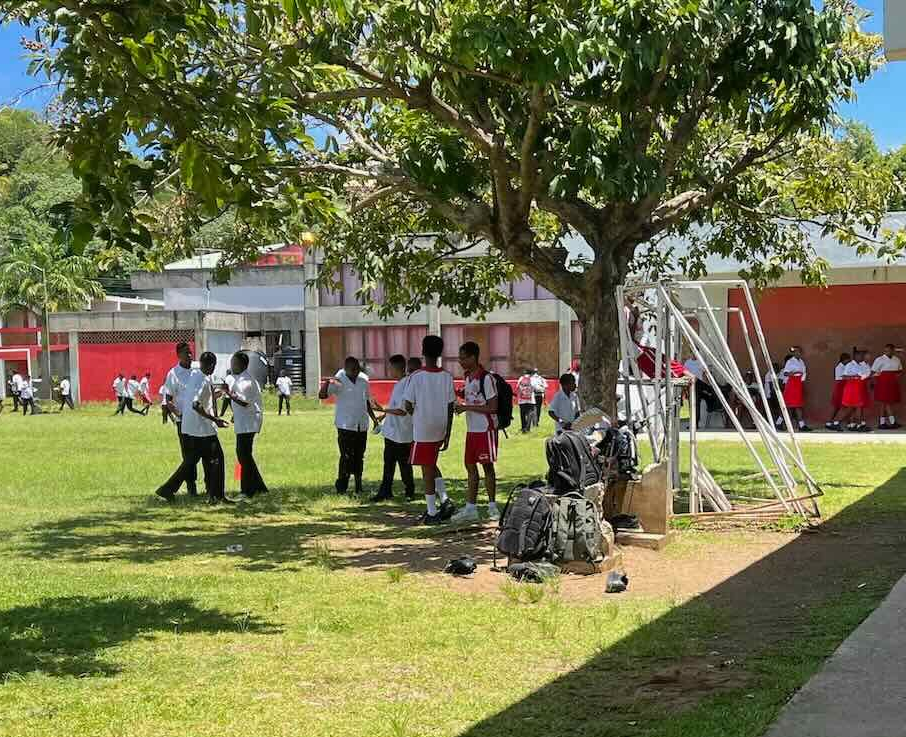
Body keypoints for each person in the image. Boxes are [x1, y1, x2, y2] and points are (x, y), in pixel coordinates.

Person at [156, 352, 232, 504]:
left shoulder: (195, 375)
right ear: (211, 365)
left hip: (190, 426)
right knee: (217, 458)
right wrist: (215, 419)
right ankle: (217, 495)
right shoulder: (202, 379)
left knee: (191, 460)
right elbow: (196, 404)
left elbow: (202, 396)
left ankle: (167, 489)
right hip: (202, 428)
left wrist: (220, 392)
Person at [404, 335, 457, 525]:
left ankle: (432, 512)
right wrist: (448, 432)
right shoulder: (447, 376)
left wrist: (416, 413)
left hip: (424, 427)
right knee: (431, 464)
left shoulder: (416, 376)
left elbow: (408, 404)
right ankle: (444, 500)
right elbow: (451, 406)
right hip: (440, 427)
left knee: (426, 470)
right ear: (440, 353)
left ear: (422, 351)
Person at [450, 341, 500, 524]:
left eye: (463, 358)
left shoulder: (486, 378)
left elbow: (493, 407)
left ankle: (492, 507)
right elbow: (472, 396)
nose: (460, 361)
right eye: (459, 358)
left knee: (487, 467)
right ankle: (471, 508)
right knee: (470, 466)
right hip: (472, 430)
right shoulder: (468, 377)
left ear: (473, 357)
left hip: (485, 429)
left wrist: (466, 407)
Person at [319, 356, 380, 495]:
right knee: (346, 456)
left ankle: (358, 486)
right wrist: (327, 383)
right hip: (345, 425)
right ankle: (342, 487)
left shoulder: (363, 379)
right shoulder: (338, 379)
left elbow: (366, 401)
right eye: (352, 370)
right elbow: (322, 396)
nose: (355, 372)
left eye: (357, 369)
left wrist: (374, 419)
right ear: (345, 368)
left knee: (359, 456)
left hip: (361, 424)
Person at [222, 351, 268, 498]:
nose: (232, 366)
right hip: (243, 421)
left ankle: (247, 490)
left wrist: (228, 393)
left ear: (243, 365)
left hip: (249, 422)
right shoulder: (238, 379)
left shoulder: (247, 382)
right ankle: (259, 487)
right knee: (244, 455)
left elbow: (244, 402)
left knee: (243, 455)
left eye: (234, 363)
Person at [371, 354, 415, 502]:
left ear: (397, 368)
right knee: (389, 464)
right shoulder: (399, 384)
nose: (389, 371)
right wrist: (383, 416)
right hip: (391, 432)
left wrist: (382, 410)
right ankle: (386, 491)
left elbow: (402, 411)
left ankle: (409, 490)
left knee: (404, 465)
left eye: (390, 368)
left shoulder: (406, 384)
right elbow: (394, 406)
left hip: (401, 434)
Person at [163, 342, 199, 496]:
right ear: (178, 355)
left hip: (200, 419)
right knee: (189, 455)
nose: (189, 355)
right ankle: (191, 487)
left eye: (190, 352)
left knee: (202, 453)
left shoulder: (197, 370)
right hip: (183, 422)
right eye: (186, 353)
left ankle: (211, 486)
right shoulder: (173, 374)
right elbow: (168, 400)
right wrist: (180, 416)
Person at [872, 344, 903, 430]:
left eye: (889, 350)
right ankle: (888, 422)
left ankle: (886, 423)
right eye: (885, 350)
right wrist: (874, 382)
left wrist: (897, 376)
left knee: (887, 402)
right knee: (884, 402)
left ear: (893, 350)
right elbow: (873, 371)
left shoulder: (897, 359)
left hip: (892, 383)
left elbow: (900, 371)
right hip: (882, 383)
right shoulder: (879, 359)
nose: (886, 352)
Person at [840, 349, 872, 432]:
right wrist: (855, 377)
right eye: (860, 355)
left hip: (860, 387)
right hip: (852, 388)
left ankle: (856, 425)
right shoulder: (849, 365)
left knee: (858, 406)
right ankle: (837, 422)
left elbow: (865, 375)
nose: (862, 357)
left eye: (862, 356)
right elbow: (844, 376)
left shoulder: (860, 365)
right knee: (854, 407)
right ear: (855, 356)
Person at [781, 347, 811, 432]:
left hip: (799, 383)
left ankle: (801, 425)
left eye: (799, 352)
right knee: (789, 406)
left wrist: (802, 380)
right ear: (794, 353)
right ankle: (782, 423)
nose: (798, 353)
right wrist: (793, 373)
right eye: (796, 352)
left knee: (798, 405)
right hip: (791, 383)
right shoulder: (790, 361)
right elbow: (785, 373)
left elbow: (804, 372)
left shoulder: (801, 362)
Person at [825, 352, 851, 431]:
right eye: (848, 360)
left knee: (842, 406)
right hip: (840, 387)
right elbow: (842, 377)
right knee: (837, 406)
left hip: (845, 387)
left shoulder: (846, 366)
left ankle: (847, 423)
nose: (849, 362)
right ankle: (829, 422)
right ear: (844, 360)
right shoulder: (839, 367)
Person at [516, 368, 535, 433]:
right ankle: (528, 428)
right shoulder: (532, 379)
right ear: (531, 373)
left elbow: (517, 387)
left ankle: (523, 428)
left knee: (522, 414)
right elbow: (535, 387)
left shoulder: (521, 378)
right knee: (529, 414)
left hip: (522, 400)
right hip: (531, 400)